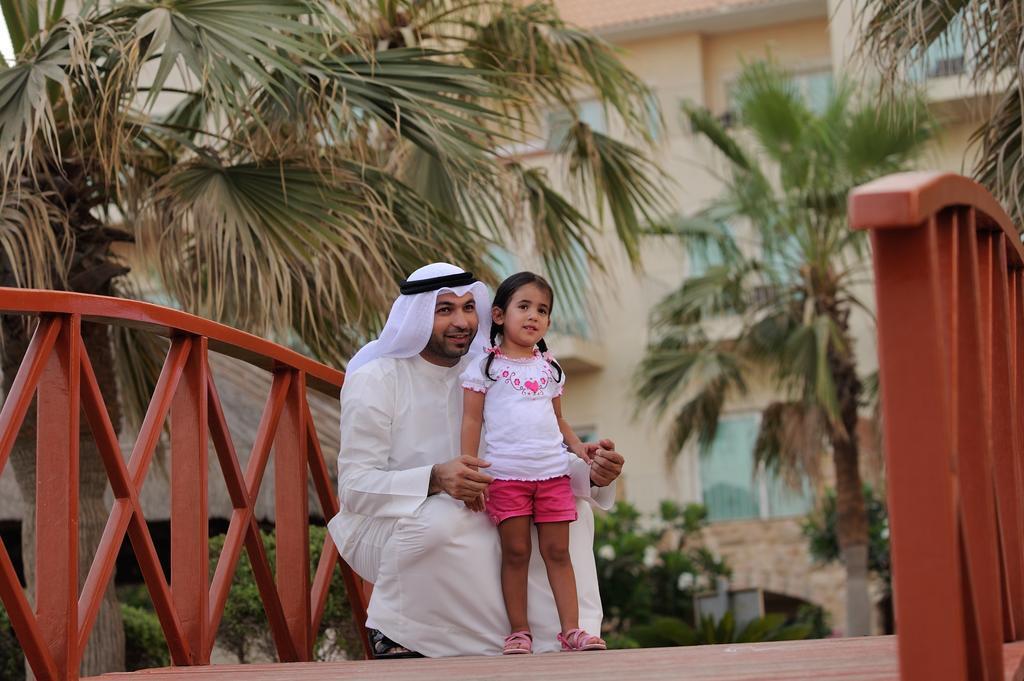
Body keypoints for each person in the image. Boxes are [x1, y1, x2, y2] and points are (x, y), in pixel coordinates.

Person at [327, 262, 624, 658]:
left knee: (571, 511)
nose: (462, 321)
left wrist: (593, 476)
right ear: (417, 315)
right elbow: (354, 489)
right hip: (384, 524)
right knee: (445, 520)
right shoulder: (377, 379)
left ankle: (561, 637)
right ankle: (400, 632)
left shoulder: (485, 372)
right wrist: (436, 478)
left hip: (478, 500)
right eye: (445, 310)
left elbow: (524, 455)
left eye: (469, 308)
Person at [460, 271, 607, 655]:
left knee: (558, 553)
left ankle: (572, 631)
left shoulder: (550, 368)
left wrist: (579, 448)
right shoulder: (485, 368)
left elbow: (558, 419)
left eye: (542, 310)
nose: (533, 316)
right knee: (516, 553)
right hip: (506, 478)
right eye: (523, 306)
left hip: (553, 476)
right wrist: (469, 469)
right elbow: (472, 420)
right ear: (498, 315)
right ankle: (519, 633)